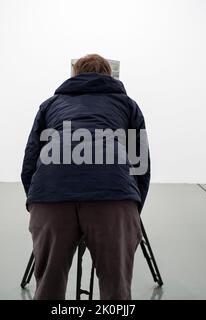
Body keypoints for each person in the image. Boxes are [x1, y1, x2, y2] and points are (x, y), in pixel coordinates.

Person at [21, 54, 150, 300]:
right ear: (109, 75)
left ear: (74, 75)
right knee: (116, 289)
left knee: (48, 285)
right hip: (113, 194)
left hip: (51, 193)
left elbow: (30, 162)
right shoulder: (128, 105)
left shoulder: (50, 105)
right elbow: (141, 165)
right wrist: (132, 207)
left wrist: (38, 200)